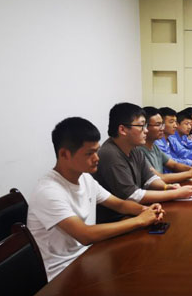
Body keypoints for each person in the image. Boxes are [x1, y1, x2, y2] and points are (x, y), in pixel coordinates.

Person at [27, 117, 165, 281]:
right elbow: (85, 235)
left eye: (96, 151)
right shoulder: (48, 191)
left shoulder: (85, 178)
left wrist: (145, 210)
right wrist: (140, 220)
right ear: (64, 154)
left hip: (89, 256)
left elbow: (119, 205)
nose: (97, 158)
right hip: (62, 273)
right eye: (89, 153)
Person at [94, 103, 192, 223]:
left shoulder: (134, 148)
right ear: (122, 130)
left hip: (136, 212)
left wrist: (166, 187)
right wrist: (175, 194)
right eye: (141, 126)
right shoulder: (110, 154)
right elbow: (133, 196)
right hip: (118, 220)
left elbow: (149, 178)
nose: (146, 130)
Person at [138, 106, 192, 183]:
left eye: (162, 124)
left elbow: (174, 164)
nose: (162, 128)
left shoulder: (154, 147)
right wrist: (191, 173)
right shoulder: (139, 150)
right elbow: (158, 178)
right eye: (158, 124)